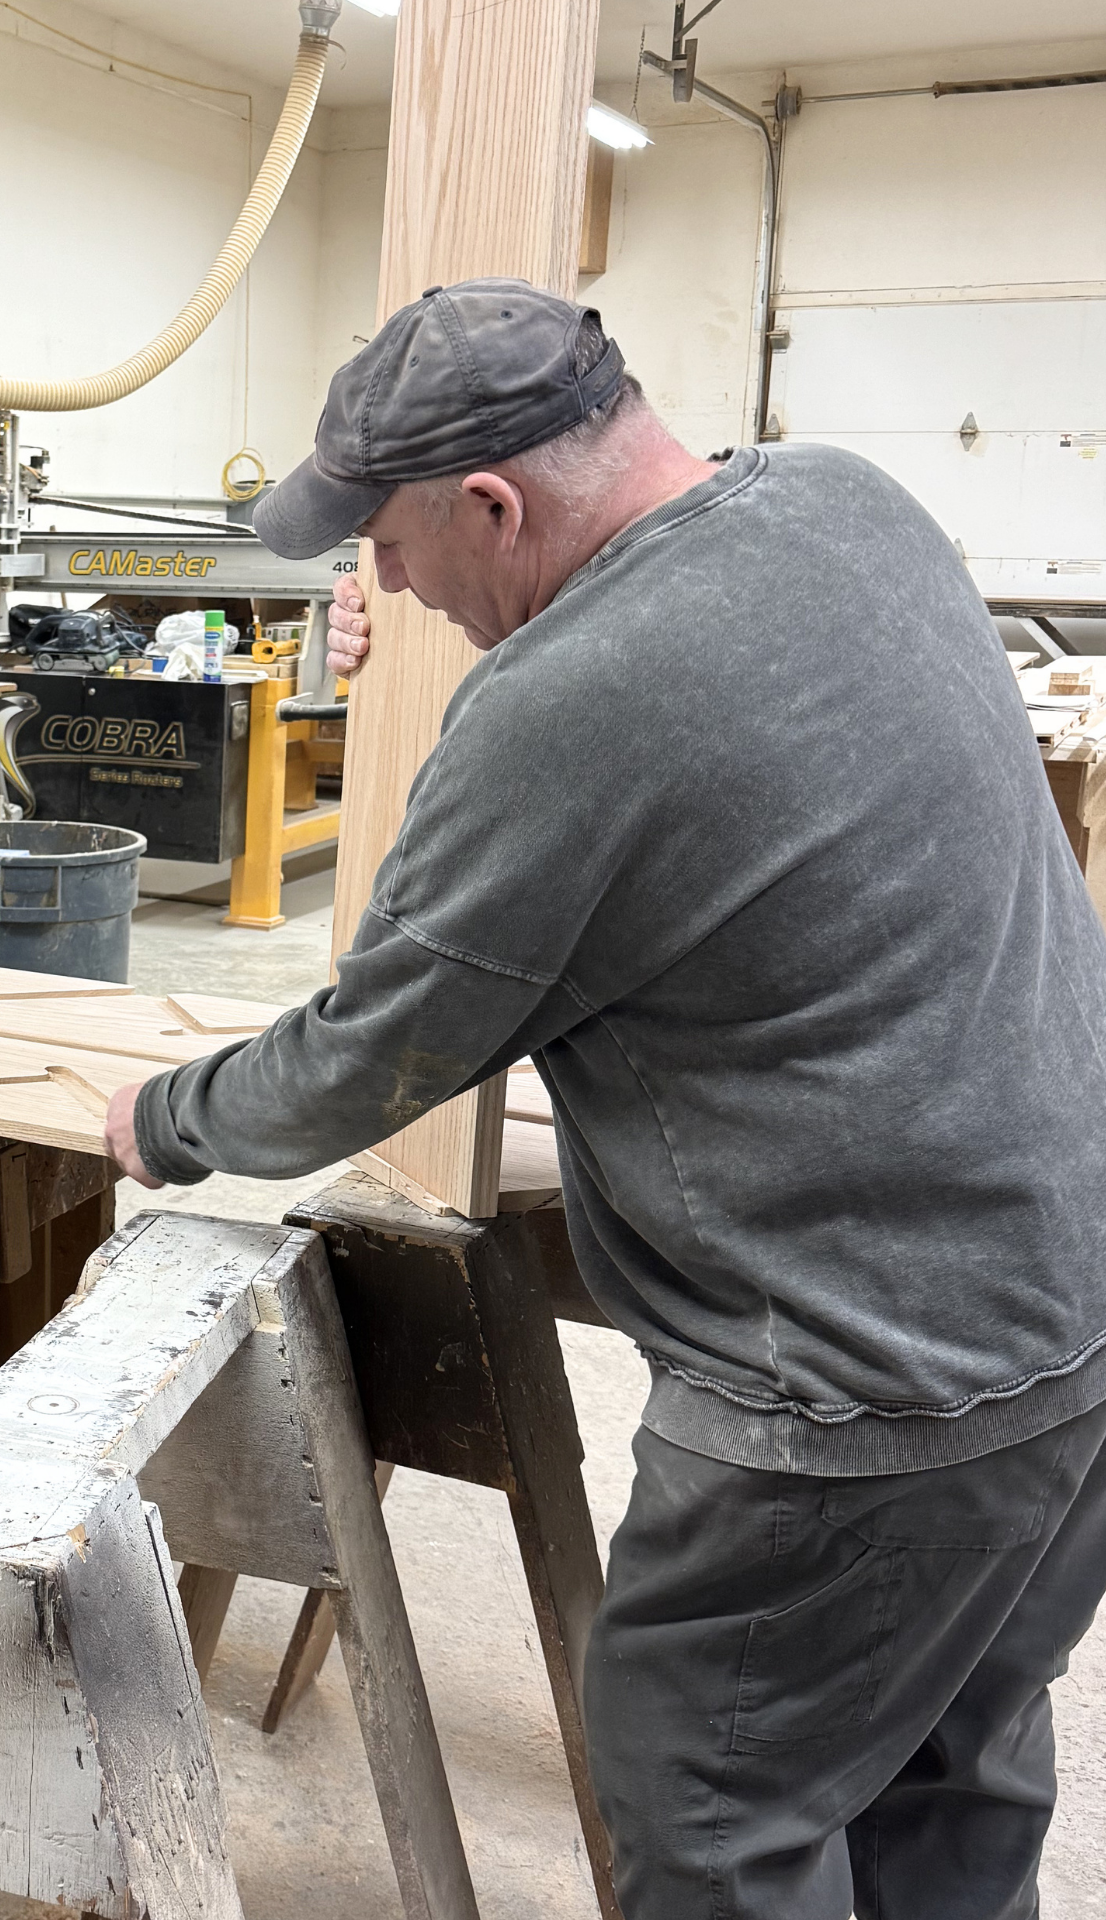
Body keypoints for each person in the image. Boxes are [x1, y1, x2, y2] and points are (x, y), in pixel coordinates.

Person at [102, 279, 1106, 1919]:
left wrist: (164, 1119)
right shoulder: (848, 500)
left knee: (715, 1822)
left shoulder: (569, 705)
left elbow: (368, 1058)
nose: (392, 582)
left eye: (397, 541)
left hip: (864, 1400)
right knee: (949, 1758)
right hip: (1076, 1308)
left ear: (495, 501)